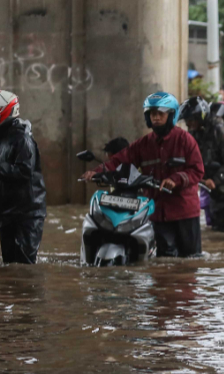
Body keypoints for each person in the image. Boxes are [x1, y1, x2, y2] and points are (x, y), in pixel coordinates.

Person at [82, 92, 205, 257]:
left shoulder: (185, 140)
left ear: (171, 115)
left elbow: (197, 170)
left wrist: (175, 180)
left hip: (184, 211)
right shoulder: (143, 144)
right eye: (152, 114)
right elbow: (119, 161)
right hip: (156, 212)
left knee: (190, 261)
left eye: (160, 114)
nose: (155, 118)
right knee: (163, 262)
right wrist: (97, 172)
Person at [0, 91, 46, 264]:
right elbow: (2, 176)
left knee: (23, 267)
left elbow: (24, 172)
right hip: (7, 213)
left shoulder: (22, 139)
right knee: (10, 268)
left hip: (26, 214)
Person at [179, 97, 224, 232]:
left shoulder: (218, 130)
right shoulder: (193, 134)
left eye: (190, 120)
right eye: (186, 121)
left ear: (199, 117)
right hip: (217, 192)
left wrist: (215, 179)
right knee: (218, 232)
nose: (188, 124)